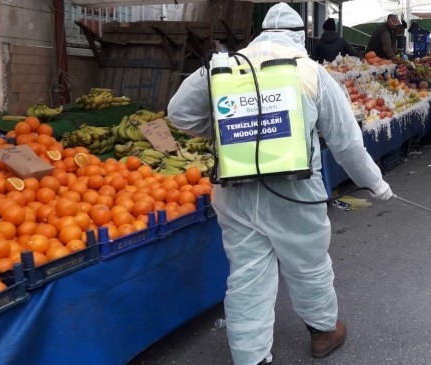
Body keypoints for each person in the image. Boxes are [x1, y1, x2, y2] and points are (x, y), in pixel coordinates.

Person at [167, 3, 394, 365]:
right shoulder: (309, 72)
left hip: (235, 189)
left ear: (260, 32)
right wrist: (376, 184)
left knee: (246, 276)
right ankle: (322, 333)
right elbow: (346, 143)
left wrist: (227, 132)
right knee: (309, 264)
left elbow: (178, 113)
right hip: (295, 190)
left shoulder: (224, 66)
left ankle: (251, 358)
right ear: (300, 37)